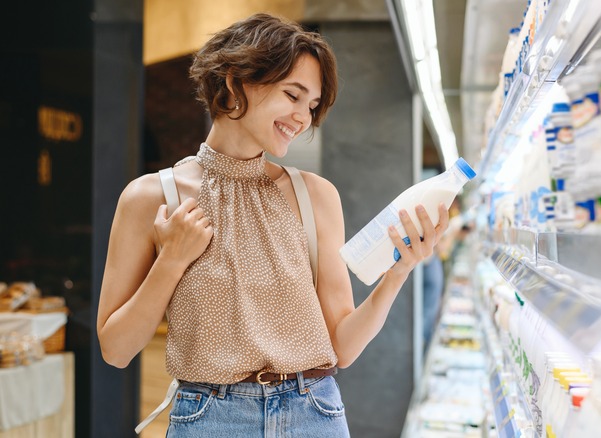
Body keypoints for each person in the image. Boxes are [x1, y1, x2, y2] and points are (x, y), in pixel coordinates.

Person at [96, 13, 449, 437]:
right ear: (235, 82)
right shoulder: (152, 198)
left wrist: (399, 272)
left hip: (314, 412)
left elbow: (343, 347)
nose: (303, 117)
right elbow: (116, 350)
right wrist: (170, 261)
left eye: (313, 105)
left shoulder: (316, 196)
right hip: (210, 419)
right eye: (292, 95)